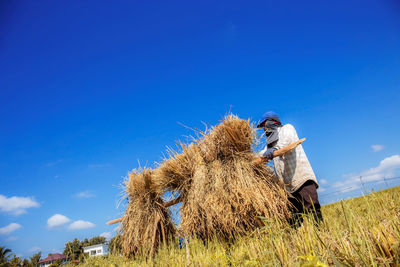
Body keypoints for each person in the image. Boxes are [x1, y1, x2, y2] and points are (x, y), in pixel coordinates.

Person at [254, 111, 323, 227]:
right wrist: (250, 159)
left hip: (301, 179)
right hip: (288, 187)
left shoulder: (287, 128)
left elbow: (285, 142)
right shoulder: (270, 145)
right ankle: (298, 240)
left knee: (312, 208)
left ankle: (321, 234)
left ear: (272, 121)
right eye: (262, 127)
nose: (264, 129)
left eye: (264, 125)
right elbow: (263, 153)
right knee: (293, 217)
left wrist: (272, 151)